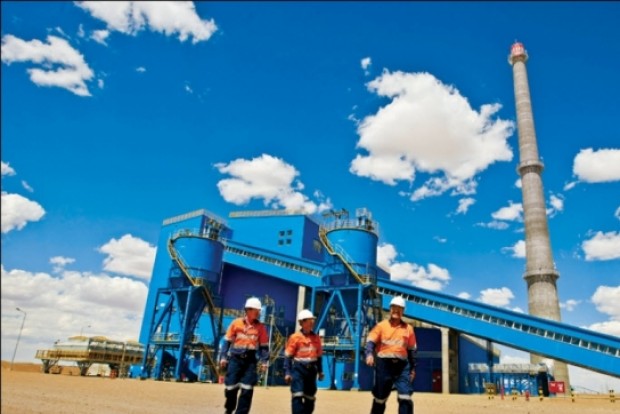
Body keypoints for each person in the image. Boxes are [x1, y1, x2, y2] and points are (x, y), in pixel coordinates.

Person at [365, 296, 417, 414]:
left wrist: (413, 369)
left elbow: (412, 350)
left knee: (405, 397)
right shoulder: (381, 326)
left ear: (403, 311)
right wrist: (369, 354)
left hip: (402, 367)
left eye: (399, 308)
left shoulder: (409, 329)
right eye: (394, 308)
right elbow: (371, 341)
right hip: (384, 366)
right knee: (380, 398)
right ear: (390, 309)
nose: (396, 311)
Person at [219, 297, 270, 414]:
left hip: (250, 361)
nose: (258, 313)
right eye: (256, 310)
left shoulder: (261, 327)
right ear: (248, 310)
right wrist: (223, 357)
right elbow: (227, 342)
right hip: (235, 360)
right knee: (230, 387)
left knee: (247, 389)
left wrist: (264, 361)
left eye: (259, 311)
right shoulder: (236, 323)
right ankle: (229, 408)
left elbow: (264, 347)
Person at [284, 309, 325, 414]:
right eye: (310, 320)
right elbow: (288, 356)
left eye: (312, 320)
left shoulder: (316, 338)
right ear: (302, 322)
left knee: (310, 399)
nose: (312, 322)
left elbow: (319, 357)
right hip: (298, 370)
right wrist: (288, 372)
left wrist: (320, 371)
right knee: (297, 395)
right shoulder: (295, 337)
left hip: (311, 372)